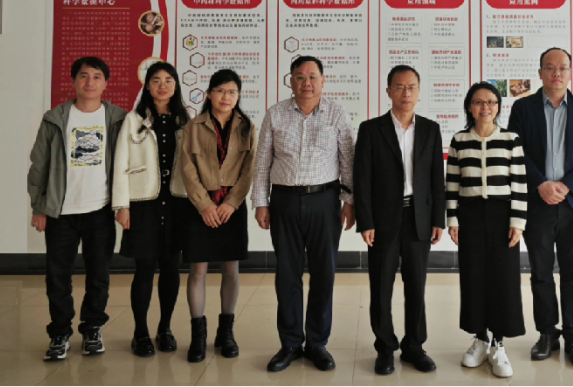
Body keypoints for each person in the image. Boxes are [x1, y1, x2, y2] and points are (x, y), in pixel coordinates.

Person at [253, 56, 356, 373]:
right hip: (284, 201)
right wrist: (261, 202)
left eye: (312, 76)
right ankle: (290, 343)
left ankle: (317, 343)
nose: (306, 83)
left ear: (323, 81)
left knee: (324, 273)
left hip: (325, 201)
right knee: (287, 275)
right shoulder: (275, 113)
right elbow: (262, 162)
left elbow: (348, 160)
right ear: (291, 81)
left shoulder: (337, 112)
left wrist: (350, 201)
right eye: (299, 76)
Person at [27, 57, 127, 361]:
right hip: (61, 212)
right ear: (73, 81)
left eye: (96, 76)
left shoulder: (118, 119)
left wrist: (124, 205)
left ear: (105, 83)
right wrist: (39, 207)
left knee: (99, 275)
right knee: (57, 276)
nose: (90, 82)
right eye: (83, 76)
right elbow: (39, 165)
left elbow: (127, 166)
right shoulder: (55, 118)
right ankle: (59, 333)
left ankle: (92, 328)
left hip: (100, 211)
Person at [506, 47, 573, 369]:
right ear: (540, 73)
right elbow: (516, 150)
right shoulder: (523, 108)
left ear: (571, 73)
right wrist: (541, 184)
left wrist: (567, 185)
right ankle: (547, 333)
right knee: (541, 273)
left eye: (562, 68)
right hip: (538, 203)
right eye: (549, 67)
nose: (556, 73)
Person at [354, 65, 446, 376]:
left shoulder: (431, 129)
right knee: (381, 285)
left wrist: (438, 219)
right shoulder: (371, 129)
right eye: (399, 87)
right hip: (383, 220)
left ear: (419, 91)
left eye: (411, 87)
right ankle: (385, 347)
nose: (406, 93)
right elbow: (362, 179)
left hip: (419, 217)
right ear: (388, 91)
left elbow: (436, 178)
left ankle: (414, 346)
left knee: (416, 285)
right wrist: (366, 221)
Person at [446, 83, 527, 379]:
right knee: (473, 276)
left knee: (503, 279)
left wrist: (518, 222)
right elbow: (452, 185)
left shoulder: (510, 139)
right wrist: (452, 220)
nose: (485, 107)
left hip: (502, 215)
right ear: (470, 107)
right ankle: (479, 338)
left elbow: (520, 183)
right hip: (469, 214)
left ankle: (498, 344)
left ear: (498, 106)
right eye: (479, 102)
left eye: (491, 102)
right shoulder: (459, 140)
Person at [112, 62, 189, 357]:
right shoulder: (134, 120)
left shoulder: (186, 120)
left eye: (168, 80)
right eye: (156, 80)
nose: (162, 86)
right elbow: (121, 163)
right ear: (147, 86)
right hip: (143, 204)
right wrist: (122, 206)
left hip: (177, 203)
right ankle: (140, 332)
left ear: (176, 86)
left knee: (171, 268)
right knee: (144, 268)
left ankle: (164, 328)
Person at [180, 69, 257, 363]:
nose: (226, 97)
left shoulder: (247, 127)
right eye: (221, 91)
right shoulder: (193, 127)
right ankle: (198, 336)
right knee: (198, 272)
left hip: (231, 209)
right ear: (210, 93)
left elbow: (249, 170)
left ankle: (226, 333)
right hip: (200, 207)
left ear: (238, 96)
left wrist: (232, 203)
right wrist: (204, 205)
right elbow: (187, 168)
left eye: (232, 92)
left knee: (231, 270)